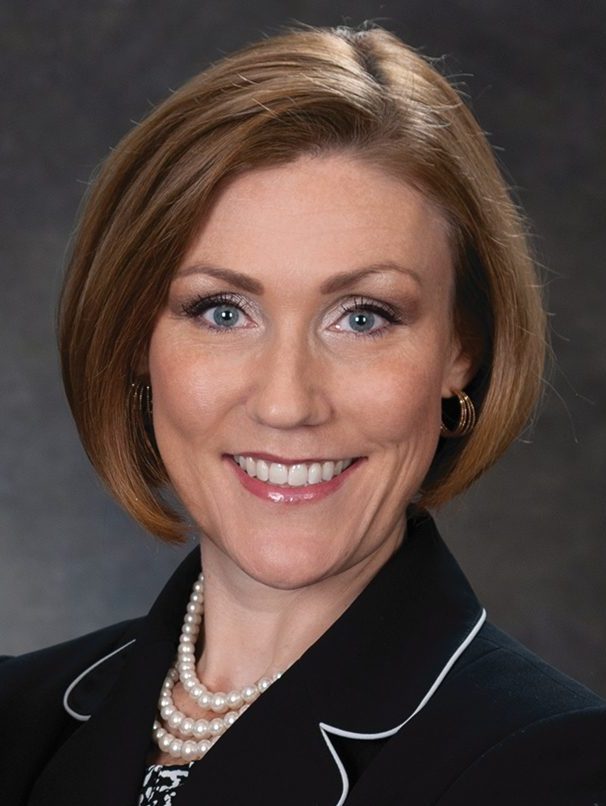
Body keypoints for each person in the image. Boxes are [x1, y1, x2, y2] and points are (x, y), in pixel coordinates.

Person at [1, 23, 604, 806]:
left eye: (363, 317)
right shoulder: (18, 721)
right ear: (133, 341)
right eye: (222, 311)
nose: (287, 403)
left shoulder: (551, 768)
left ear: (462, 351)